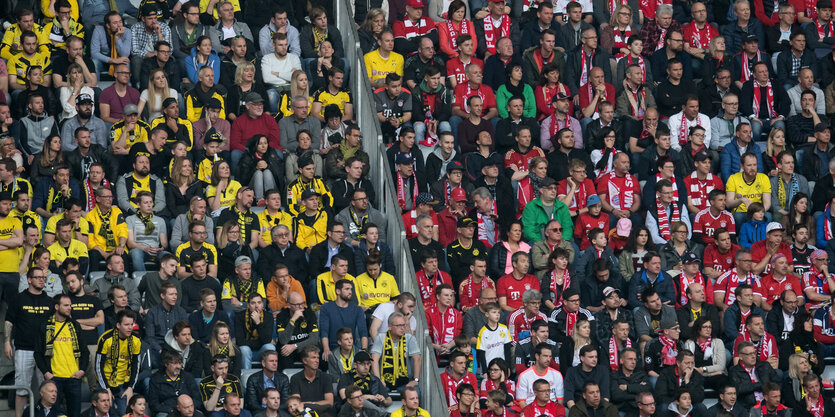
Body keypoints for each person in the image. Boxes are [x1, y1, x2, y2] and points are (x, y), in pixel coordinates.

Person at [95, 310, 141, 415]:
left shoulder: (136, 340)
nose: (130, 328)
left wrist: (130, 387)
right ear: (118, 325)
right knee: (104, 412)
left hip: (124, 384)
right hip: (105, 382)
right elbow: (98, 366)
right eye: (126, 324)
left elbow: (136, 366)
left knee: (124, 413)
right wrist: (106, 388)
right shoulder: (105, 339)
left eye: (131, 324)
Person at [148, 349, 200, 416]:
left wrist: (187, 408)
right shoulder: (156, 379)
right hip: (167, 411)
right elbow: (153, 404)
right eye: (175, 363)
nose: (178, 366)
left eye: (180, 363)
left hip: (187, 409)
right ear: (166, 364)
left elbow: (197, 399)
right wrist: (171, 410)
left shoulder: (188, 377)